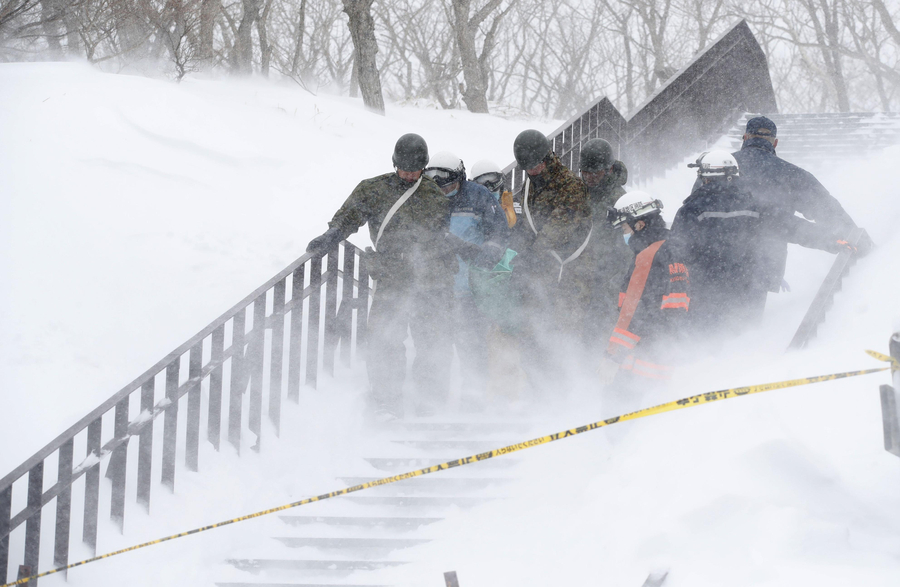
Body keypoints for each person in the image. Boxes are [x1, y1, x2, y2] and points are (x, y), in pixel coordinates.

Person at [306, 133, 457, 420]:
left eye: (414, 170)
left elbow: (439, 238)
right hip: (392, 277)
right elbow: (350, 216)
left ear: (424, 167)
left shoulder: (434, 196)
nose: (409, 174)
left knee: (432, 340)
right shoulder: (373, 189)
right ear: (395, 164)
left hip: (431, 278)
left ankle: (430, 401)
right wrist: (333, 234)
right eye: (404, 169)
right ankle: (386, 401)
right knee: (384, 339)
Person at [732, 116, 871, 309]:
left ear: (745, 137)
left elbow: (691, 208)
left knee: (706, 331)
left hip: (708, 261)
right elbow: (826, 209)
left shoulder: (715, 170)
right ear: (775, 142)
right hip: (761, 267)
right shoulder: (789, 173)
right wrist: (856, 239)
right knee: (743, 328)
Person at [423, 152, 510, 408]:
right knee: (434, 349)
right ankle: (430, 402)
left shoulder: (478, 196)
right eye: (438, 186)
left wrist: (488, 254)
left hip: (469, 290)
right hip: (435, 289)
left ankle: (473, 401)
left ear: (460, 178)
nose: (444, 191)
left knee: (471, 347)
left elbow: (499, 231)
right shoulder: (424, 198)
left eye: (449, 185)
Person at [510, 129, 593, 395]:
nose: (533, 171)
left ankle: (567, 396)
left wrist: (531, 255)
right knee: (533, 336)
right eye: (527, 167)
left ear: (547, 156)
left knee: (563, 337)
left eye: (536, 165)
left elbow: (558, 230)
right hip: (539, 277)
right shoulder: (530, 186)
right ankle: (539, 395)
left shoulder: (569, 185)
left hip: (567, 276)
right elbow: (528, 225)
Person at [598, 191, 690, 395]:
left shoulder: (648, 256)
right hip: (661, 360)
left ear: (640, 225)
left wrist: (613, 356)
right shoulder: (672, 249)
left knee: (619, 420)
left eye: (624, 228)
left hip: (636, 365)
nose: (624, 234)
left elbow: (633, 312)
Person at [671, 150, 764, 335]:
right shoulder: (753, 207)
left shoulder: (691, 209)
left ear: (705, 177)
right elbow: (790, 227)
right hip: (744, 286)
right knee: (739, 339)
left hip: (703, 290)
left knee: (704, 339)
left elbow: (675, 250)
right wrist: (830, 239)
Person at [578, 138, 633, 352]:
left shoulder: (620, 200)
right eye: (586, 172)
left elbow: (630, 244)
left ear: (608, 170)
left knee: (601, 326)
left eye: (596, 173)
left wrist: (615, 279)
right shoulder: (578, 192)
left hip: (608, 275)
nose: (590, 178)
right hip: (582, 270)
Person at [470, 160, 517, 229]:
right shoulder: (470, 208)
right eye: (482, 181)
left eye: (492, 180)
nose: (489, 187)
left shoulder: (513, 204)